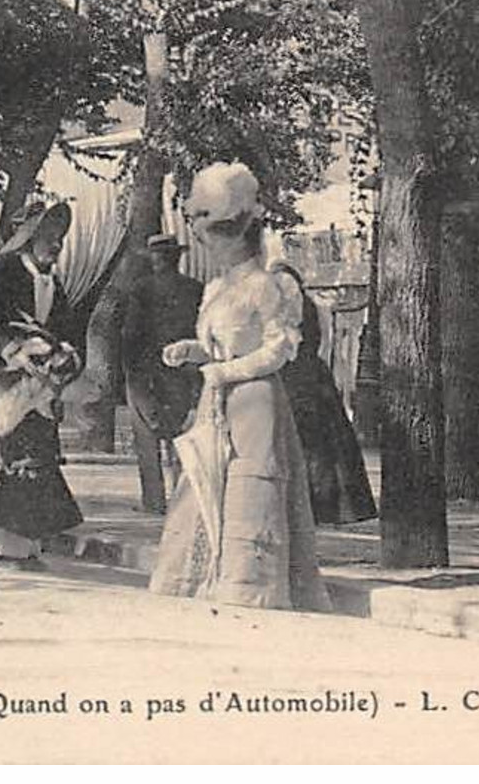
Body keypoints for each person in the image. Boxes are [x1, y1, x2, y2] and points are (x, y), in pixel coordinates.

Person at [149, 162, 331, 611]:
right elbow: (222, 347)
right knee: (205, 483)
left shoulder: (265, 286)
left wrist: (225, 372)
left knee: (250, 490)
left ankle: (249, 585)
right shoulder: (215, 288)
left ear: (238, 237)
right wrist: (195, 351)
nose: (208, 248)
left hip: (255, 404)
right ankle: (205, 576)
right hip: (216, 399)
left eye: (215, 239)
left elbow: (280, 350)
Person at [0, 200, 84, 571]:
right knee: (7, 455)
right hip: (0, 378)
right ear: (29, 239)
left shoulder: (54, 282)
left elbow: (63, 326)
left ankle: (25, 547)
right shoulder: (3, 271)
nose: (56, 245)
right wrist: (9, 347)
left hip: (36, 386)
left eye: (59, 239)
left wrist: (65, 350)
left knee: (37, 456)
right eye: (48, 237)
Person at [272, 263, 378, 526]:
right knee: (327, 445)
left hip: (292, 376)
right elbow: (323, 342)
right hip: (315, 376)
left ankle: (312, 505)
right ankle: (332, 506)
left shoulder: (283, 311)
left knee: (306, 443)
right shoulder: (314, 307)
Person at [123, 233, 203, 514]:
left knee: (146, 439)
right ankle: (184, 501)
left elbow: (131, 334)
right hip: (185, 370)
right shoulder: (196, 289)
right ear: (177, 257)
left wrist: (130, 369)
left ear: (155, 258)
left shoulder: (141, 289)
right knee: (183, 434)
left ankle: (154, 501)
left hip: (147, 371)